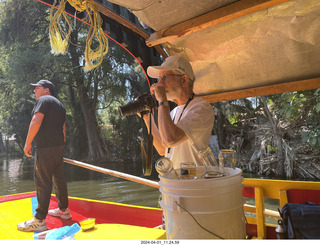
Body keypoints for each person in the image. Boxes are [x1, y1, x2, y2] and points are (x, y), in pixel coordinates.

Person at [17, 80, 71, 232]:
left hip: (46, 147)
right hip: (58, 147)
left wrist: (27, 143)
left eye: (37, 88)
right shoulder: (60, 105)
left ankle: (39, 220)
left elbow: (36, 119)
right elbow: (63, 129)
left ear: (47, 89)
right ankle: (64, 210)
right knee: (59, 178)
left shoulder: (44, 100)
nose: (34, 91)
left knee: (42, 181)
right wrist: (61, 146)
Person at [142, 56, 214, 169]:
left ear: (183, 80)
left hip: (194, 184)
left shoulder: (202, 108)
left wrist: (162, 100)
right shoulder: (174, 112)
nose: (159, 83)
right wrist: (147, 117)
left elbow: (170, 139)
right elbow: (163, 148)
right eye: (158, 79)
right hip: (176, 184)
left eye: (164, 77)